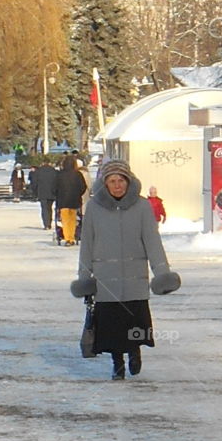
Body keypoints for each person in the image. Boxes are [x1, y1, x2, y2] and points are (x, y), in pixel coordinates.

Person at [70, 160, 180, 379]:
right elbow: (87, 244)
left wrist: (162, 273)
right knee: (111, 326)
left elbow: (152, 240)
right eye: (112, 181)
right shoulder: (94, 207)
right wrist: (84, 275)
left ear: (128, 182)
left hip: (134, 278)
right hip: (105, 280)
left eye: (121, 180)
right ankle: (117, 363)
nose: (117, 185)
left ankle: (134, 351)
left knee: (134, 322)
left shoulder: (141, 206)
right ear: (105, 184)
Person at [55, 153, 87, 245]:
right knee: (73, 219)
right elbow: (83, 187)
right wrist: (78, 194)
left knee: (65, 220)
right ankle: (71, 237)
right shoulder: (78, 174)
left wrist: (57, 195)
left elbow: (54, 187)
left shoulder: (60, 174)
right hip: (74, 200)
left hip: (62, 200)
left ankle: (67, 237)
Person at [33, 157, 58, 230]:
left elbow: (34, 183)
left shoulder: (38, 171)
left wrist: (35, 192)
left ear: (43, 163)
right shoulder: (54, 171)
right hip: (52, 192)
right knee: (49, 208)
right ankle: (49, 222)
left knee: (44, 208)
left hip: (42, 192)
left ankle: (46, 224)